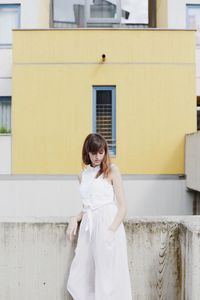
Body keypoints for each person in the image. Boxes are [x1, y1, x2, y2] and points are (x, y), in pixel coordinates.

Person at [66, 133, 133, 300]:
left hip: (108, 225)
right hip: (89, 228)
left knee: (108, 277)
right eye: (94, 153)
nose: (98, 157)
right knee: (83, 274)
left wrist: (110, 231)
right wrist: (75, 218)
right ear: (87, 153)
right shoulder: (82, 175)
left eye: (101, 152)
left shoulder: (112, 170)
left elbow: (123, 207)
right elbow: (89, 206)